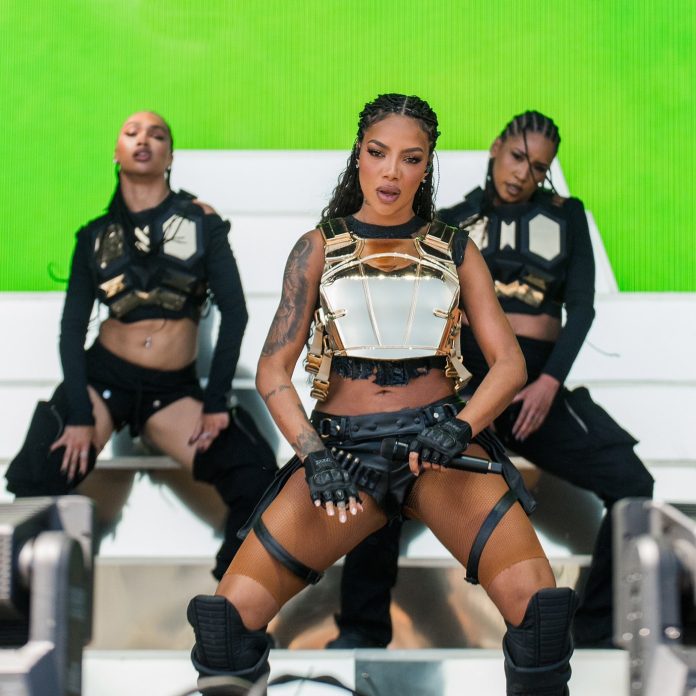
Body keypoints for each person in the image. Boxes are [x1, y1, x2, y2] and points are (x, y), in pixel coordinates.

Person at [187, 94, 577, 694]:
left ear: (427, 166)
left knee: (541, 614)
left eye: (410, 158)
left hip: (439, 452)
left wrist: (460, 427)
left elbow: (509, 365)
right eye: (378, 153)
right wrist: (313, 455)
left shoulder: (455, 247)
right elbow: (272, 372)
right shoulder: (317, 247)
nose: (392, 171)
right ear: (358, 156)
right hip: (342, 458)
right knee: (225, 624)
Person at [333, 110, 654, 651]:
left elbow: (581, 309)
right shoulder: (452, 222)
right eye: (517, 157)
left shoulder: (567, 216)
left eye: (538, 167)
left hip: (536, 388)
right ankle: (362, 630)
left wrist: (549, 383)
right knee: (385, 475)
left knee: (632, 483)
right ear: (496, 148)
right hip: (461, 385)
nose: (523, 173)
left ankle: (594, 629)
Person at [5, 110, 277, 580]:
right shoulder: (94, 237)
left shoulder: (204, 225)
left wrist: (216, 403)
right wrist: (78, 414)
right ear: (117, 153)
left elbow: (236, 313)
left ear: (170, 156)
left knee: (256, 476)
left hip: (171, 391)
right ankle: (30, 603)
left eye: (157, 134)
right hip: (104, 377)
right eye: (131, 133)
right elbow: (72, 329)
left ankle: (227, 605)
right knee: (38, 471)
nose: (143, 140)